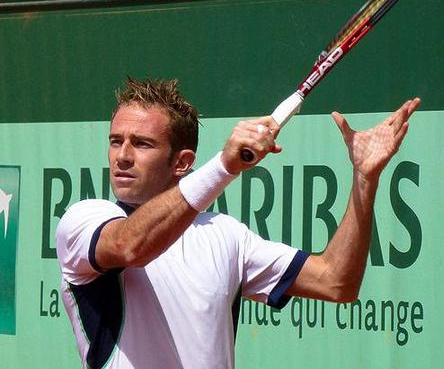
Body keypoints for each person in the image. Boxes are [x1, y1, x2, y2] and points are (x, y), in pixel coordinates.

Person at [56, 77, 420, 369]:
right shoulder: (86, 220)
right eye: (116, 141)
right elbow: (130, 246)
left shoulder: (225, 235)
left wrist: (364, 179)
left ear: (181, 163)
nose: (122, 156)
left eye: (142, 144)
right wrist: (225, 166)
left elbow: (337, 281)